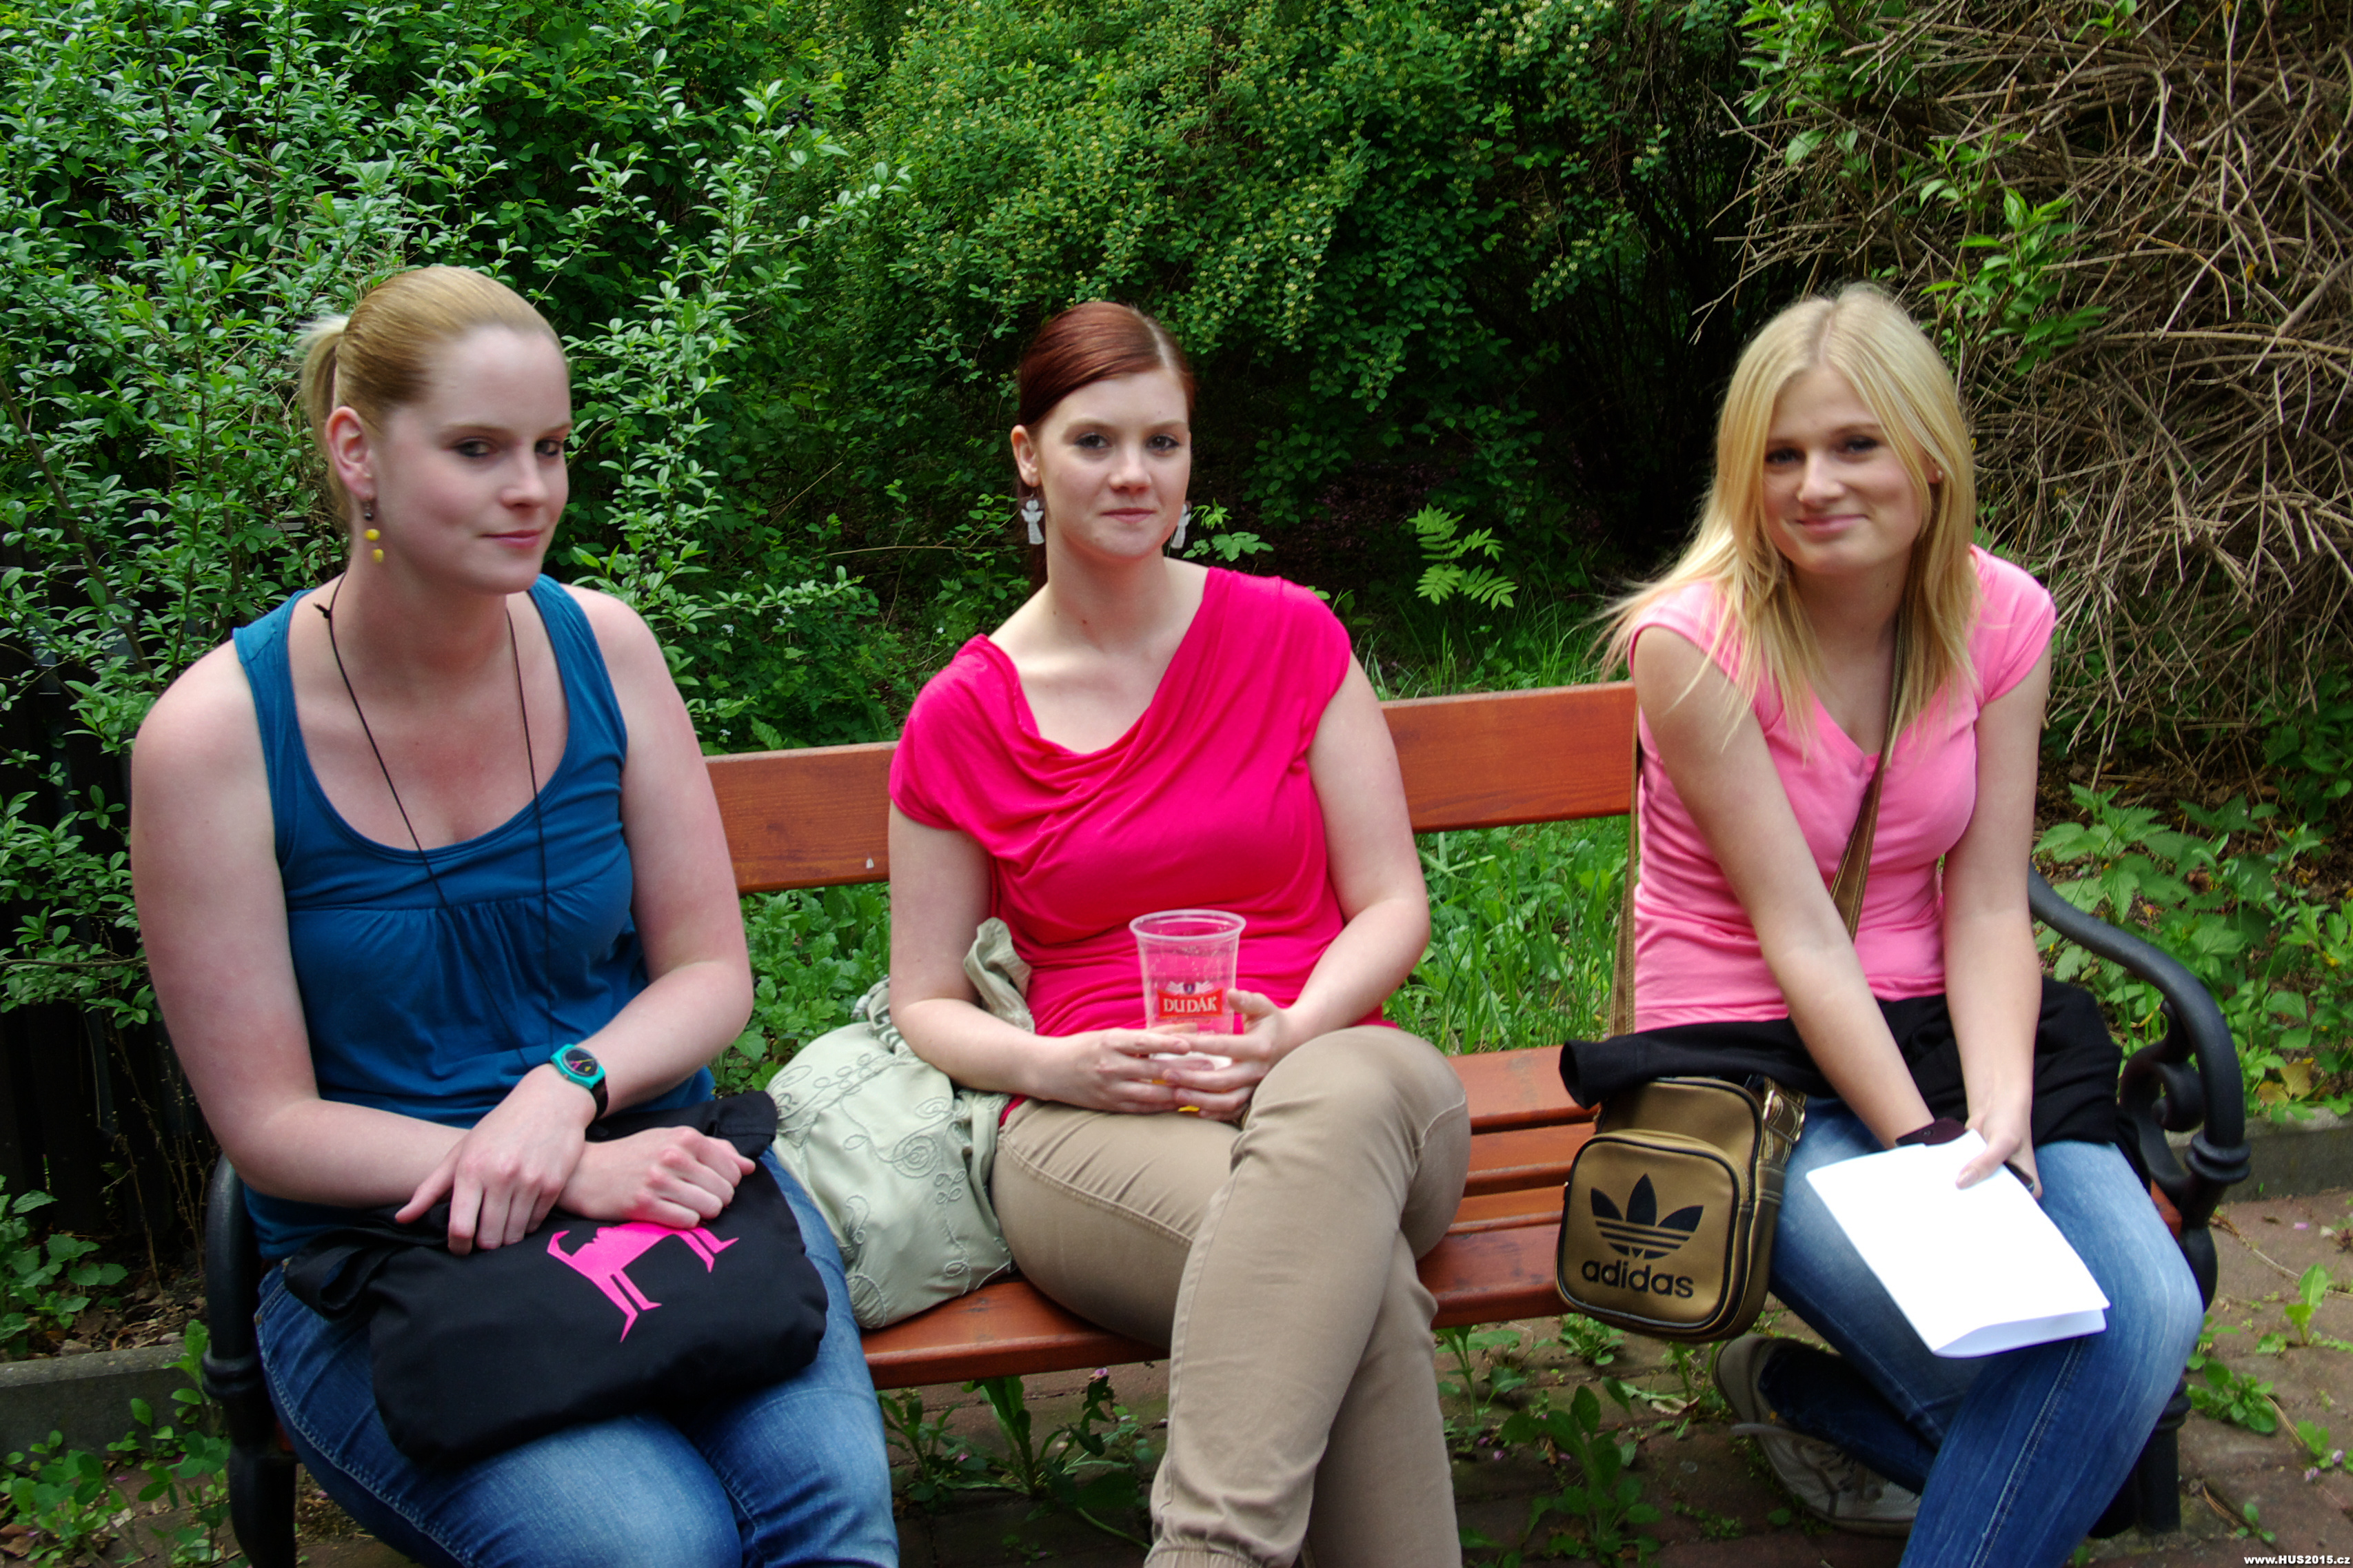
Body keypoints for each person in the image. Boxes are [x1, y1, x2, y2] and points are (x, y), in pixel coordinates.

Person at [129, 266, 896, 1568]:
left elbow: (709, 972)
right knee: (650, 1547)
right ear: (357, 452)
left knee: (825, 1520)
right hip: (388, 1256)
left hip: (666, 1180)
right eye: (478, 449)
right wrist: (561, 1169)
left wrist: (568, 1090)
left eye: (551, 447)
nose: (532, 489)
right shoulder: (216, 740)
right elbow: (269, 1125)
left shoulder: (605, 648)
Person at [1590, 283, 2203, 1565]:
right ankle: (1839, 1408)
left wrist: (1999, 1120)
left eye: (1854, 444)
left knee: (2141, 1316)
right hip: (1748, 1055)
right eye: (1780, 456)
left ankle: (1796, 1395)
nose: (1814, 485)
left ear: (1928, 455)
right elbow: (1800, 936)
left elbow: (1984, 901)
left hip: (1946, 1024)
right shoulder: (1691, 644)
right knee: (2065, 1418)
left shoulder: (2002, 616)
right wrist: (1929, 1153)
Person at [886, 302, 1471, 1567]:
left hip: (1338, 1069)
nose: (1134, 474)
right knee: (1350, 1283)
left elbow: (1391, 903)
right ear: (1028, 456)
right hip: (1097, 1116)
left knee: (1339, 1114)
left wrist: (1296, 1029)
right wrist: (1055, 1065)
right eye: (1094, 441)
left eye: (1164, 442)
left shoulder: (1288, 634)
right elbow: (925, 996)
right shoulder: (964, 714)